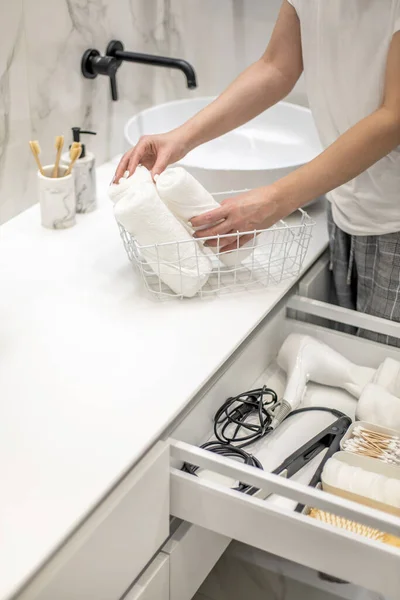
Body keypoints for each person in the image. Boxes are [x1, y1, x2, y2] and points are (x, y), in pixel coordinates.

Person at [115, 1, 400, 346]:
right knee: (357, 361)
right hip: (346, 203)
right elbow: (276, 67)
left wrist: (276, 199)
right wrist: (181, 138)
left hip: (394, 217)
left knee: (384, 376)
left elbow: (393, 118)